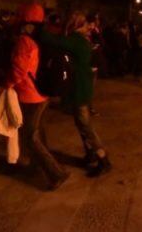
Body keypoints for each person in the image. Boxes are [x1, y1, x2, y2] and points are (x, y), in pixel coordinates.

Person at [40, 13, 112, 177]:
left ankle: (103, 159)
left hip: (79, 88)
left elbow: (53, 40)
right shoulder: (81, 39)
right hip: (82, 87)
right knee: (81, 124)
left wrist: (37, 29)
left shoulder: (75, 39)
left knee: (85, 125)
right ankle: (91, 155)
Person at [7, 2, 68, 190]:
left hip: (30, 94)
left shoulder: (25, 40)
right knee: (39, 132)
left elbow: (19, 68)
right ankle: (36, 166)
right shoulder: (44, 36)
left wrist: (7, 85)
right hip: (42, 92)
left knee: (30, 136)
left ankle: (56, 173)